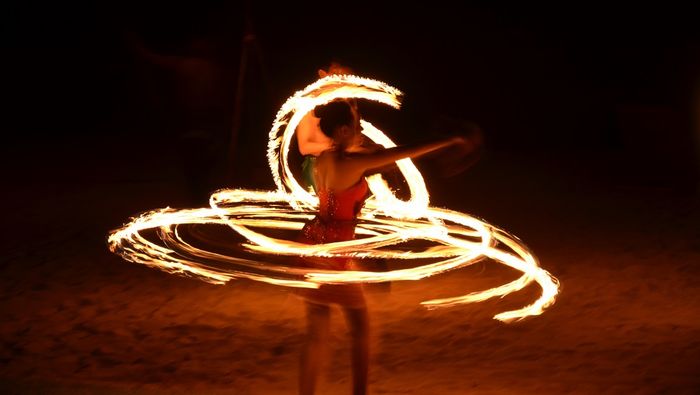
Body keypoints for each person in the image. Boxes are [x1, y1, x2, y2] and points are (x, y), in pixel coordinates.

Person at [297, 100, 479, 395]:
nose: (361, 130)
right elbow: (402, 153)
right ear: (343, 130)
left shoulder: (324, 160)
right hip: (334, 254)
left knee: (317, 333)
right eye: (355, 126)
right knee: (360, 328)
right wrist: (448, 140)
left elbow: (373, 157)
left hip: (313, 243)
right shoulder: (351, 163)